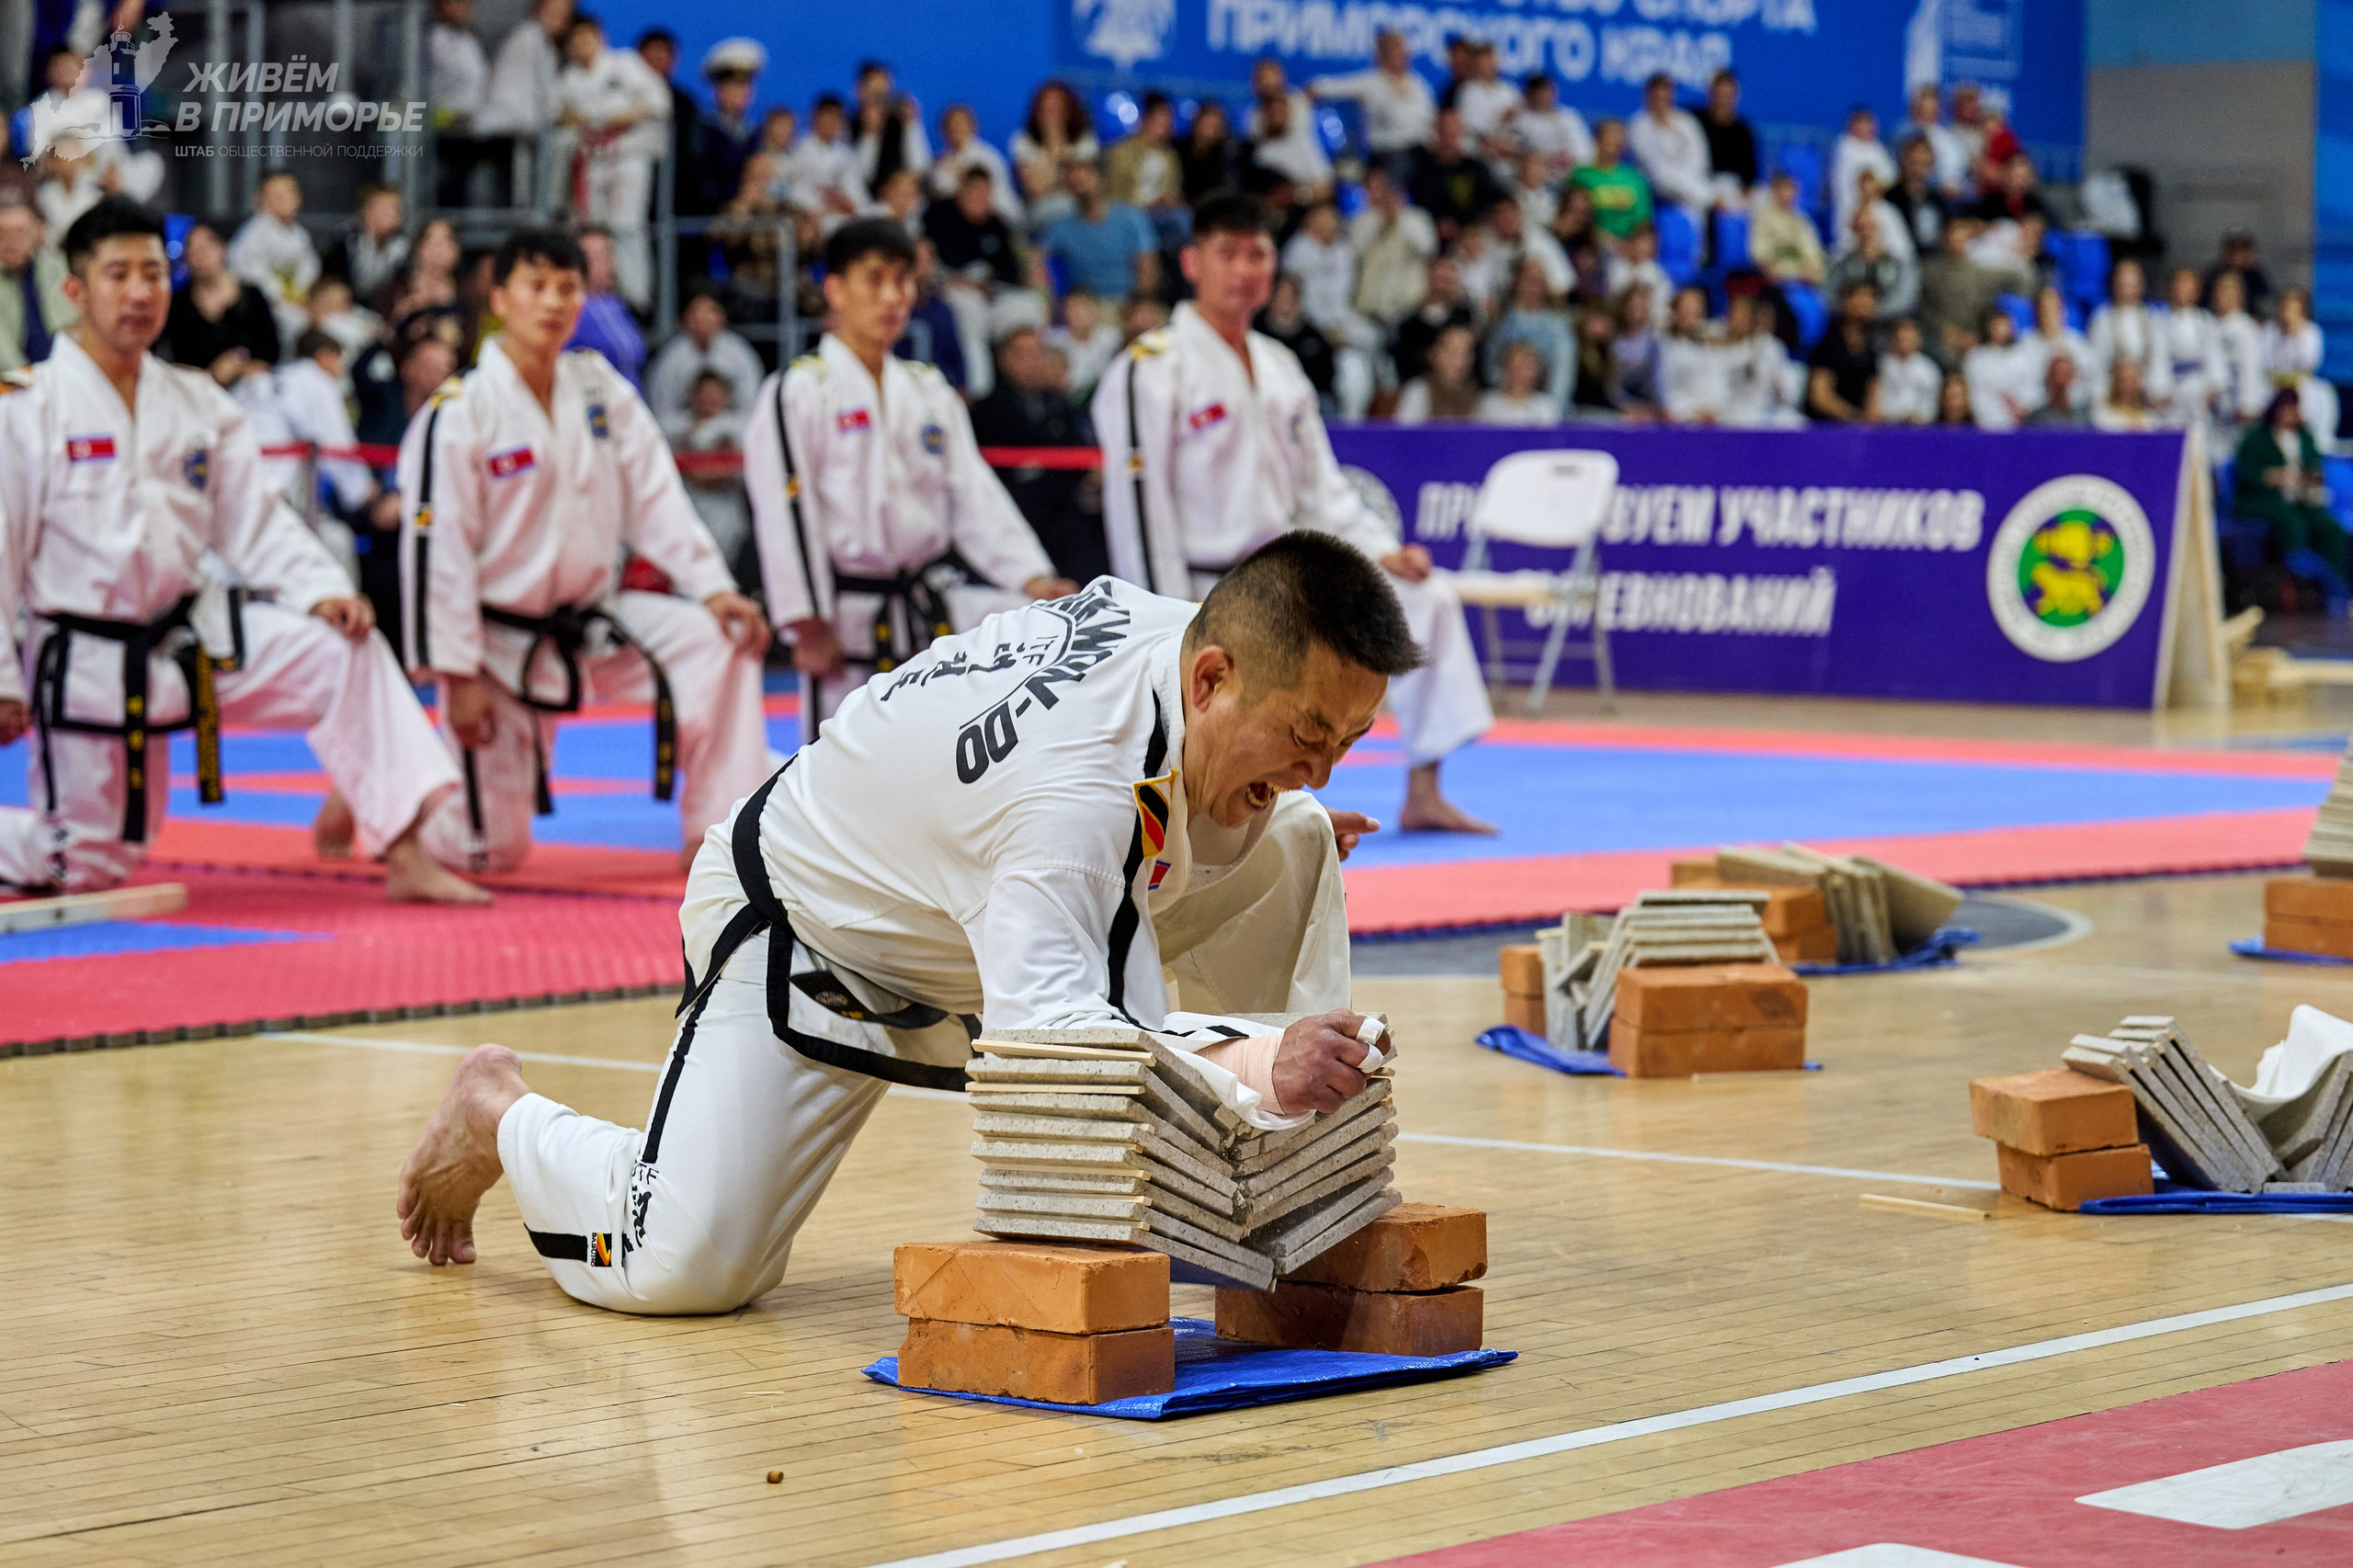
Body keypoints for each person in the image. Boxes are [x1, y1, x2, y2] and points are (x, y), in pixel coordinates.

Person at [392, 530, 1411, 1311]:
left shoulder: (1200, 643)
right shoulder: (1068, 794)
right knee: (688, 1263)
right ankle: (501, 1115)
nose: (1320, 762)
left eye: (1348, 737)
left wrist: (1288, 791)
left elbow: (1187, 796)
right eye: (1307, 734)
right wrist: (1256, 1055)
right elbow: (1054, 1041)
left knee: (1295, 833)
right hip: (811, 931)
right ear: (1209, 678)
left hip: (975, 899)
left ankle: (1273, 1186)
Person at [0, 199, 482, 904]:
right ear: (75, 291)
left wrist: (323, 589)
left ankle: (404, 847)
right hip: (87, 658)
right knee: (87, 864)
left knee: (344, 646)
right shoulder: (27, 408)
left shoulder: (197, 401)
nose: (139, 292)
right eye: (117, 275)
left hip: (190, 638)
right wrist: (5, 679)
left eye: (151, 274)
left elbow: (256, 522)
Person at [1096, 191, 1495, 833]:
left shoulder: (1282, 367)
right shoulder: (1153, 367)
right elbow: (1141, 513)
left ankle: (1424, 788)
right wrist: (1164, 616)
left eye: (1258, 254)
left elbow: (1323, 489)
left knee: (1427, 598)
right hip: (1202, 583)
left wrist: (1380, 547)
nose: (1245, 270)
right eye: (1228, 254)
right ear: (1193, 263)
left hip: (1287, 581)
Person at [395, 227, 772, 874]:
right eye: (535, 286)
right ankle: (400, 795)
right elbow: (439, 553)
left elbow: (655, 493)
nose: (552, 303)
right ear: (500, 296)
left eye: (566, 287)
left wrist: (711, 586)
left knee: (719, 640)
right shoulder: (460, 411)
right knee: (492, 850)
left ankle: (721, 831)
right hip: (498, 648)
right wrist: (455, 677)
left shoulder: (598, 388)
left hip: (594, 622)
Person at [744, 219, 1071, 733]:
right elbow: (785, 513)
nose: (894, 296)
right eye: (875, 280)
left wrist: (1029, 574)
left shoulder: (928, 390)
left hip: (926, 604)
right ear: (834, 290)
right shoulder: (799, 390)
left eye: (903, 280)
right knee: (840, 780)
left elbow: (972, 494)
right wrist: (806, 619)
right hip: (845, 614)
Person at [970, 324, 1108, 585]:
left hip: (1064, 513)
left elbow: (1079, 452)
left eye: (1036, 353)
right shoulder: (986, 411)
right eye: (1021, 354)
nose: (1031, 362)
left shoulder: (1059, 403)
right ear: (1003, 359)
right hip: (1016, 515)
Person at [554, 12, 668, 310]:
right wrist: (588, 123)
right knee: (594, 231)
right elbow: (559, 116)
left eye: (588, 36)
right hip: (593, 162)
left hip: (629, 157)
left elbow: (658, 103)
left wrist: (608, 120)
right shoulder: (570, 78)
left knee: (627, 228)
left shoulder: (625, 64)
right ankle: (597, 292)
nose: (582, 44)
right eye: (575, 39)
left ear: (601, 37)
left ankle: (636, 300)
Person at [2234, 390, 2350, 583]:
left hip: (2301, 498)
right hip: (2265, 500)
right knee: (2292, 521)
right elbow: (2245, 473)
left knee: (2330, 527)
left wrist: (2310, 479)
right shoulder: (2256, 438)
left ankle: (2336, 581)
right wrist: (2272, 477)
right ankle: (2298, 572)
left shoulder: (2305, 437)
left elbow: (2315, 467)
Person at [473, 0, 573, 205]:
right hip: (511, 127)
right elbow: (527, 92)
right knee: (521, 197)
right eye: (554, 12)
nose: (560, 19)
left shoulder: (544, 42)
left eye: (564, 13)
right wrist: (558, 113)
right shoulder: (530, 38)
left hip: (524, 126)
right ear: (538, 11)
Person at [161, 219, 278, 384]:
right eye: (193, 250)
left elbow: (270, 350)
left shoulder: (253, 295)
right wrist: (209, 376)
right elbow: (168, 359)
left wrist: (239, 366)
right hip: (197, 390)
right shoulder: (177, 304)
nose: (201, 255)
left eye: (206, 247)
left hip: (250, 387)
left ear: (223, 248)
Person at [1309, 28, 1436, 176]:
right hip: (1387, 155)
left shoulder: (1418, 84)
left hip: (1421, 153)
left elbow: (1431, 119)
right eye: (1394, 49)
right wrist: (1313, 90)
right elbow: (1328, 87)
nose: (1401, 54)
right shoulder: (1371, 82)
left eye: (1402, 49)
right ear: (1382, 54)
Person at [645, 288, 766, 432]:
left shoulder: (740, 354)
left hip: (732, 437)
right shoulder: (671, 358)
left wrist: (719, 427)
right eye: (696, 312)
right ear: (684, 318)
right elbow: (661, 414)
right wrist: (692, 428)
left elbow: (752, 410)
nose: (703, 318)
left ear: (722, 317)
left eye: (710, 312)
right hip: (684, 438)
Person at [228, 170, 322, 348]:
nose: (287, 198)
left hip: (301, 301)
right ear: (263, 200)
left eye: (291, 192)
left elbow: (311, 269)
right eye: (279, 195)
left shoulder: (299, 234)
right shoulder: (252, 234)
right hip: (269, 310)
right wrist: (290, 299)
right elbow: (251, 278)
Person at [1349, 166, 1437, 332]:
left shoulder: (1417, 218)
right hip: (1369, 309)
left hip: (1409, 308)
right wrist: (1383, 224)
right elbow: (1357, 252)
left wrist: (1399, 219)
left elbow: (1427, 249)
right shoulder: (1362, 221)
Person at [1406, 108, 1507, 246]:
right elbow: (1415, 206)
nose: (1449, 135)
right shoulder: (1420, 167)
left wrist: (1465, 227)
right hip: (1430, 236)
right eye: (1444, 129)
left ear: (1461, 132)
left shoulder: (1476, 168)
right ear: (1436, 131)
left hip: (1472, 235)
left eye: (1453, 130)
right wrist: (1435, 224)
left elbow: (1491, 200)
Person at [561, 226, 646, 388]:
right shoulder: (569, 308)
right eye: (598, 256)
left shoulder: (618, 305)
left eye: (609, 253)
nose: (609, 262)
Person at [1484, 255, 1573, 404]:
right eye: (1528, 280)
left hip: (1543, 406)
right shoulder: (1501, 321)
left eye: (1539, 282)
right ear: (1517, 282)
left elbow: (1562, 376)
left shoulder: (1558, 326)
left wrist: (1553, 412)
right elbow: (1490, 368)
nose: (1533, 287)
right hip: (1503, 402)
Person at [0, 194, 74, 371]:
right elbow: (5, 355)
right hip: (14, 382)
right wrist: (32, 380)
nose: (11, 241)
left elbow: (75, 323)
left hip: (63, 371)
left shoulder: (57, 267)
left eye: (19, 232)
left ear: (35, 232)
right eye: (2, 233)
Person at [1008, 81, 1099, 222]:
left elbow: (1083, 185)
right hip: (1037, 212)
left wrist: (1050, 176)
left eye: (1057, 107)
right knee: (1064, 206)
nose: (1050, 112)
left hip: (1081, 210)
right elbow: (1035, 189)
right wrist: (1054, 146)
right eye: (1045, 107)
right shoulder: (1022, 142)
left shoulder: (1085, 141)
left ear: (1068, 110)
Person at [1625, 73, 1713, 220]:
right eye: (1657, 98)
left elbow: (1700, 159)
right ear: (1648, 97)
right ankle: (1708, 199)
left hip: (1693, 187)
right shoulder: (1638, 125)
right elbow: (1655, 169)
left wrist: (1692, 184)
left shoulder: (1687, 121)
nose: (1661, 102)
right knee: (1665, 177)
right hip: (1658, 191)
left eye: (1665, 97)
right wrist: (1701, 193)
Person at [2154, 266, 2226, 435]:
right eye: (2179, 285)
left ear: (2196, 292)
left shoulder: (2205, 320)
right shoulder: (2161, 321)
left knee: (2200, 440)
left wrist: (2214, 386)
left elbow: (2214, 355)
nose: (2182, 291)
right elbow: (2158, 358)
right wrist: (2159, 389)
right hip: (2173, 393)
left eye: (2188, 286)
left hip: (2199, 392)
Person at [2087, 258, 2168, 410]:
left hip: (2145, 392)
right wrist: (2100, 396)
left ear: (2141, 286)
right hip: (2112, 392)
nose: (2127, 289)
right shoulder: (2102, 318)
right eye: (2123, 284)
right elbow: (2097, 363)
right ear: (2114, 285)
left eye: (2131, 284)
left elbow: (2159, 359)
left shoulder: (2153, 318)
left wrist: (2159, 390)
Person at [1719, 292, 1802, 428]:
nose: (1737, 320)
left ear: (1752, 319)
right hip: (1730, 413)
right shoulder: (1717, 346)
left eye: (1744, 315)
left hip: (1764, 414)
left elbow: (1785, 389)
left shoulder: (1768, 346)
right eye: (1734, 314)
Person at [929, 102, 1022, 223]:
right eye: (950, 124)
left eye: (961, 123)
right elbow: (940, 187)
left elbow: (984, 195)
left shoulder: (987, 156)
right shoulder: (941, 159)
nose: (956, 128)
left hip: (999, 218)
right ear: (943, 130)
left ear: (973, 126)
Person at [1806, 280, 1881, 423]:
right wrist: (1856, 418)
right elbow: (1820, 397)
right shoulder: (1828, 344)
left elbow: (1873, 394)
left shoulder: (1870, 350)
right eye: (1860, 298)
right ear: (1846, 302)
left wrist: (1872, 420)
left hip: (1859, 430)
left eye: (1870, 299)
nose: (1866, 303)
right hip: (1826, 429)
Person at [852, 60, 929, 195]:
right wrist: (870, 134)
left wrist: (912, 125)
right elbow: (858, 179)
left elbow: (920, 169)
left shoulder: (900, 124)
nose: (880, 101)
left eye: (885, 94)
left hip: (902, 201)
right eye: (875, 94)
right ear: (860, 91)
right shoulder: (846, 124)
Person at [1573, 119, 1654, 242]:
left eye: (1619, 136)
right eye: (1610, 135)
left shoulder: (1634, 177)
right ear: (1597, 140)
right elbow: (1576, 217)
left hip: (1629, 247)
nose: (1615, 140)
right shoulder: (1581, 176)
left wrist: (1630, 246)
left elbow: (1643, 221)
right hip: (1592, 245)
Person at [1962, 305, 2040, 431]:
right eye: (1996, 326)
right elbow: (1977, 397)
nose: (2002, 330)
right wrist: (1999, 420)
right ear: (1988, 328)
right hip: (1989, 427)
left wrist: (2024, 409)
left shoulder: (2025, 355)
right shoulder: (1975, 359)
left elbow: (2034, 388)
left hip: (2026, 423)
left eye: (2005, 325)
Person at [1658, 285, 1725, 425]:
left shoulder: (1710, 348)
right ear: (1675, 313)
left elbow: (1717, 384)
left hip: (1708, 419)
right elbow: (1664, 390)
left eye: (1696, 311)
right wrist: (1685, 413)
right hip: (1677, 419)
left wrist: (1712, 410)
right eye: (1687, 310)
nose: (1692, 316)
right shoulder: (1664, 347)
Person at [1392, 320, 1480, 425]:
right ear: (1434, 354)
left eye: (1466, 353)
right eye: (1453, 352)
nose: (1460, 362)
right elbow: (1404, 436)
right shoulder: (1419, 391)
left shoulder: (1478, 395)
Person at [1747, 170, 1824, 288]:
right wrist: (1775, 273)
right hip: (1775, 282)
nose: (1786, 194)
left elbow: (1813, 255)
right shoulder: (1763, 218)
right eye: (1782, 189)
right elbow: (1758, 254)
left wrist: (1811, 271)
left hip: (1802, 280)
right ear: (1774, 191)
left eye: (1790, 189)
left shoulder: (1802, 220)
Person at [1829, 106, 1895, 244]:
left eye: (1868, 123)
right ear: (1851, 125)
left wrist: (1876, 190)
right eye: (1860, 123)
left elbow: (1890, 179)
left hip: (1877, 206)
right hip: (1850, 208)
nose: (1864, 127)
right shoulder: (1844, 147)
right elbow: (1842, 186)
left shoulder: (1878, 149)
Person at [1514, 73, 1592, 182]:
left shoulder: (1569, 117)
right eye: (1540, 91)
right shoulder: (1523, 121)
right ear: (1530, 94)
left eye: (1547, 90)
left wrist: (1570, 159)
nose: (1545, 95)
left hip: (1572, 178)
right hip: (1541, 179)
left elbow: (1586, 153)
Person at [1048, 287, 1121, 396]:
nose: (1077, 313)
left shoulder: (1113, 338)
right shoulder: (1053, 341)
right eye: (1071, 307)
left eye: (1083, 306)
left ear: (1095, 309)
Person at [1699, 69, 1757, 199]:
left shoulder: (1743, 131)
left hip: (1734, 188)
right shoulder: (1695, 121)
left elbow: (1750, 174)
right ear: (1710, 94)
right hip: (1703, 185)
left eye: (1728, 96)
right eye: (1719, 95)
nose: (1723, 101)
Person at [1903, 85, 1968, 199]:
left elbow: (1965, 167)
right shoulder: (1907, 133)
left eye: (1933, 107)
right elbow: (1916, 168)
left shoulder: (1949, 136)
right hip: (1929, 194)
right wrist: (1938, 186)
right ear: (1915, 107)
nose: (1929, 111)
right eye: (1924, 106)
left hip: (1960, 193)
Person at [2204, 232, 2273, 322]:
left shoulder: (2256, 277)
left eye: (2243, 249)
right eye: (2234, 249)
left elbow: (2266, 304)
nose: (2238, 255)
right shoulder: (2213, 276)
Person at [2091, 357, 2161, 432]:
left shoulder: (2150, 418)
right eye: (2124, 380)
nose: (2128, 386)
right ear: (2115, 381)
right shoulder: (2102, 417)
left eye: (2133, 380)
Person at [2020, 354, 2087, 428]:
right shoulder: (2037, 418)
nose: (2063, 382)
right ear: (2049, 379)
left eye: (2067, 375)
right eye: (2059, 374)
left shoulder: (2084, 418)